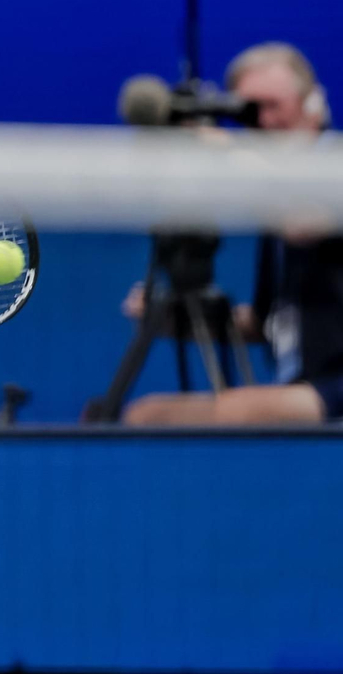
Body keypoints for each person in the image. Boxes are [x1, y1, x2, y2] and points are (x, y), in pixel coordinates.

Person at [122, 42, 342, 426]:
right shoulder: (273, 196)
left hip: (334, 389)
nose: (266, 122)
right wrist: (173, 320)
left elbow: (305, 222)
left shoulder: (329, 169)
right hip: (304, 386)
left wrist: (229, 155)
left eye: (275, 106)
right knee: (147, 413)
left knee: (184, 415)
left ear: (313, 105)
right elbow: (264, 324)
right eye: (251, 112)